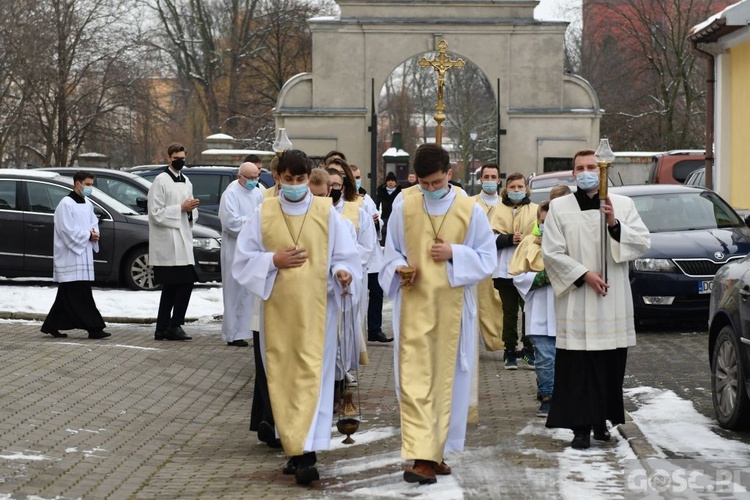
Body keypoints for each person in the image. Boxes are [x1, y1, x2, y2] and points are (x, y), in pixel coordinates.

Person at [232, 149, 361, 485]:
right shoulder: (263, 213)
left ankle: (307, 453)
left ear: (308, 178)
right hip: (277, 312)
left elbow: (344, 255)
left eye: (300, 179)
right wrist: (273, 260)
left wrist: (343, 272)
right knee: (283, 380)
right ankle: (294, 447)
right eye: (287, 180)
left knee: (313, 381)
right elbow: (243, 262)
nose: (294, 185)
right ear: (277, 179)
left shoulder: (326, 212)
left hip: (318, 313)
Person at [380, 143, 496, 484]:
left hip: (453, 309)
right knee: (416, 380)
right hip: (414, 304)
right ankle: (424, 454)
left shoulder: (468, 208)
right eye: (424, 183)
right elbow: (391, 249)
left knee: (446, 382)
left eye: (436, 182)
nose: (429, 189)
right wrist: (400, 267)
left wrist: (454, 252)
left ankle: (433, 455)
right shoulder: (404, 203)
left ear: (449, 173)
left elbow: (486, 257)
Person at [542, 148, 650, 450]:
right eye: (581, 167)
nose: (587, 172)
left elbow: (642, 242)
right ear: (573, 173)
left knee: (608, 365)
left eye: (593, 166)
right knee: (577, 366)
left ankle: (602, 421)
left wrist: (615, 226)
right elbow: (551, 252)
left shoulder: (623, 204)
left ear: (603, 170)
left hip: (611, 298)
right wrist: (583, 274)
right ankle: (579, 427)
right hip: (578, 297)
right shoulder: (560, 207)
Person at [41, 171, 111, 340]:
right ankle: (94, 327)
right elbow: (66, 230)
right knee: (80, 294)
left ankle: (52, 324)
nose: (90, 188)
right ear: (78, 183)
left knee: (67, 294)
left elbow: (93, 223)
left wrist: (94, 233)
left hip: (83, 254)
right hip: (70, 256)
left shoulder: (86, 203)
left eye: (91, 185)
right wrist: (87, 235)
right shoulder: (66, 204)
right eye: (88, 184)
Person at [148, 143, 199, 341]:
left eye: (183, 157)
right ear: (168, 158)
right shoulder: (160, 181)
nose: (180, 161)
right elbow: (155, 214)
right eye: (177, 157)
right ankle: (175, 324)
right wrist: (180, 208)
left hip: (183, 240)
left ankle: (162, 327)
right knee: (182, 283)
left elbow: (190, 210)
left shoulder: (187, 181)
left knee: (173, 286)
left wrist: (191, 208)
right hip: (167, 243)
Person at [509, 201, 555, 418]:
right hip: (539, 310)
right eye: (543, 221)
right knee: (544, 356)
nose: (546, 225)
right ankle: (547, 397)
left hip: (564, 312)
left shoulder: (570, 244)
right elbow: (516, 274)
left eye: (551, 222)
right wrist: (540, 278)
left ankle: (558, 393)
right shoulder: (529, 243)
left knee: (561, 358)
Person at [491, 172, 537, 370]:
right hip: (504, 269)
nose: (516, 191)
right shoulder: (496, 210)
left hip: (526, 268)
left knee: (528, 310)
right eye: (513, 187)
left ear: (526, 188)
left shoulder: (535, 209)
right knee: (509, 312)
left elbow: (541, 232)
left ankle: (528, 349)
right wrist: (509, 239)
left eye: (520, 187)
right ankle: (509, 349)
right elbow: (486, 238)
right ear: (506, 189)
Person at [218, 161, 264, 347]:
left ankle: (249, 329)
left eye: (256, 177)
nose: (254, 181)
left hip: (254, 249)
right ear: (240, 177)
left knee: (250, 293)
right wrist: (253, 222)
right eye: (251, 178)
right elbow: (231, 223)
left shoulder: (259, 192)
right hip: (235, 249)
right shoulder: (230, 194)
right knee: (235, 291)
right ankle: (233, 333)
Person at [471, 163, 504, 352]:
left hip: (501, 259)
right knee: (475, 302)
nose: (490, 181)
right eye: (486, 177)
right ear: (481, 179)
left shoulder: (504, 204)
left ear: (499, 180)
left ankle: (498, 341)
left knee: (497, 302)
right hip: (477, 259)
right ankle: (472, 342)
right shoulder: (471, 203)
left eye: (493, 177)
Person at [376, 171, 401, 246]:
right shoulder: (381, 192)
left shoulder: (400, 193)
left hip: (396, 217)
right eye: (389, 181)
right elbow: (377, 204)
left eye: (392, 181)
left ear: (395, 183)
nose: (390, 182)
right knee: (384, 233)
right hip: (384, 217)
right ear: (386, 182)